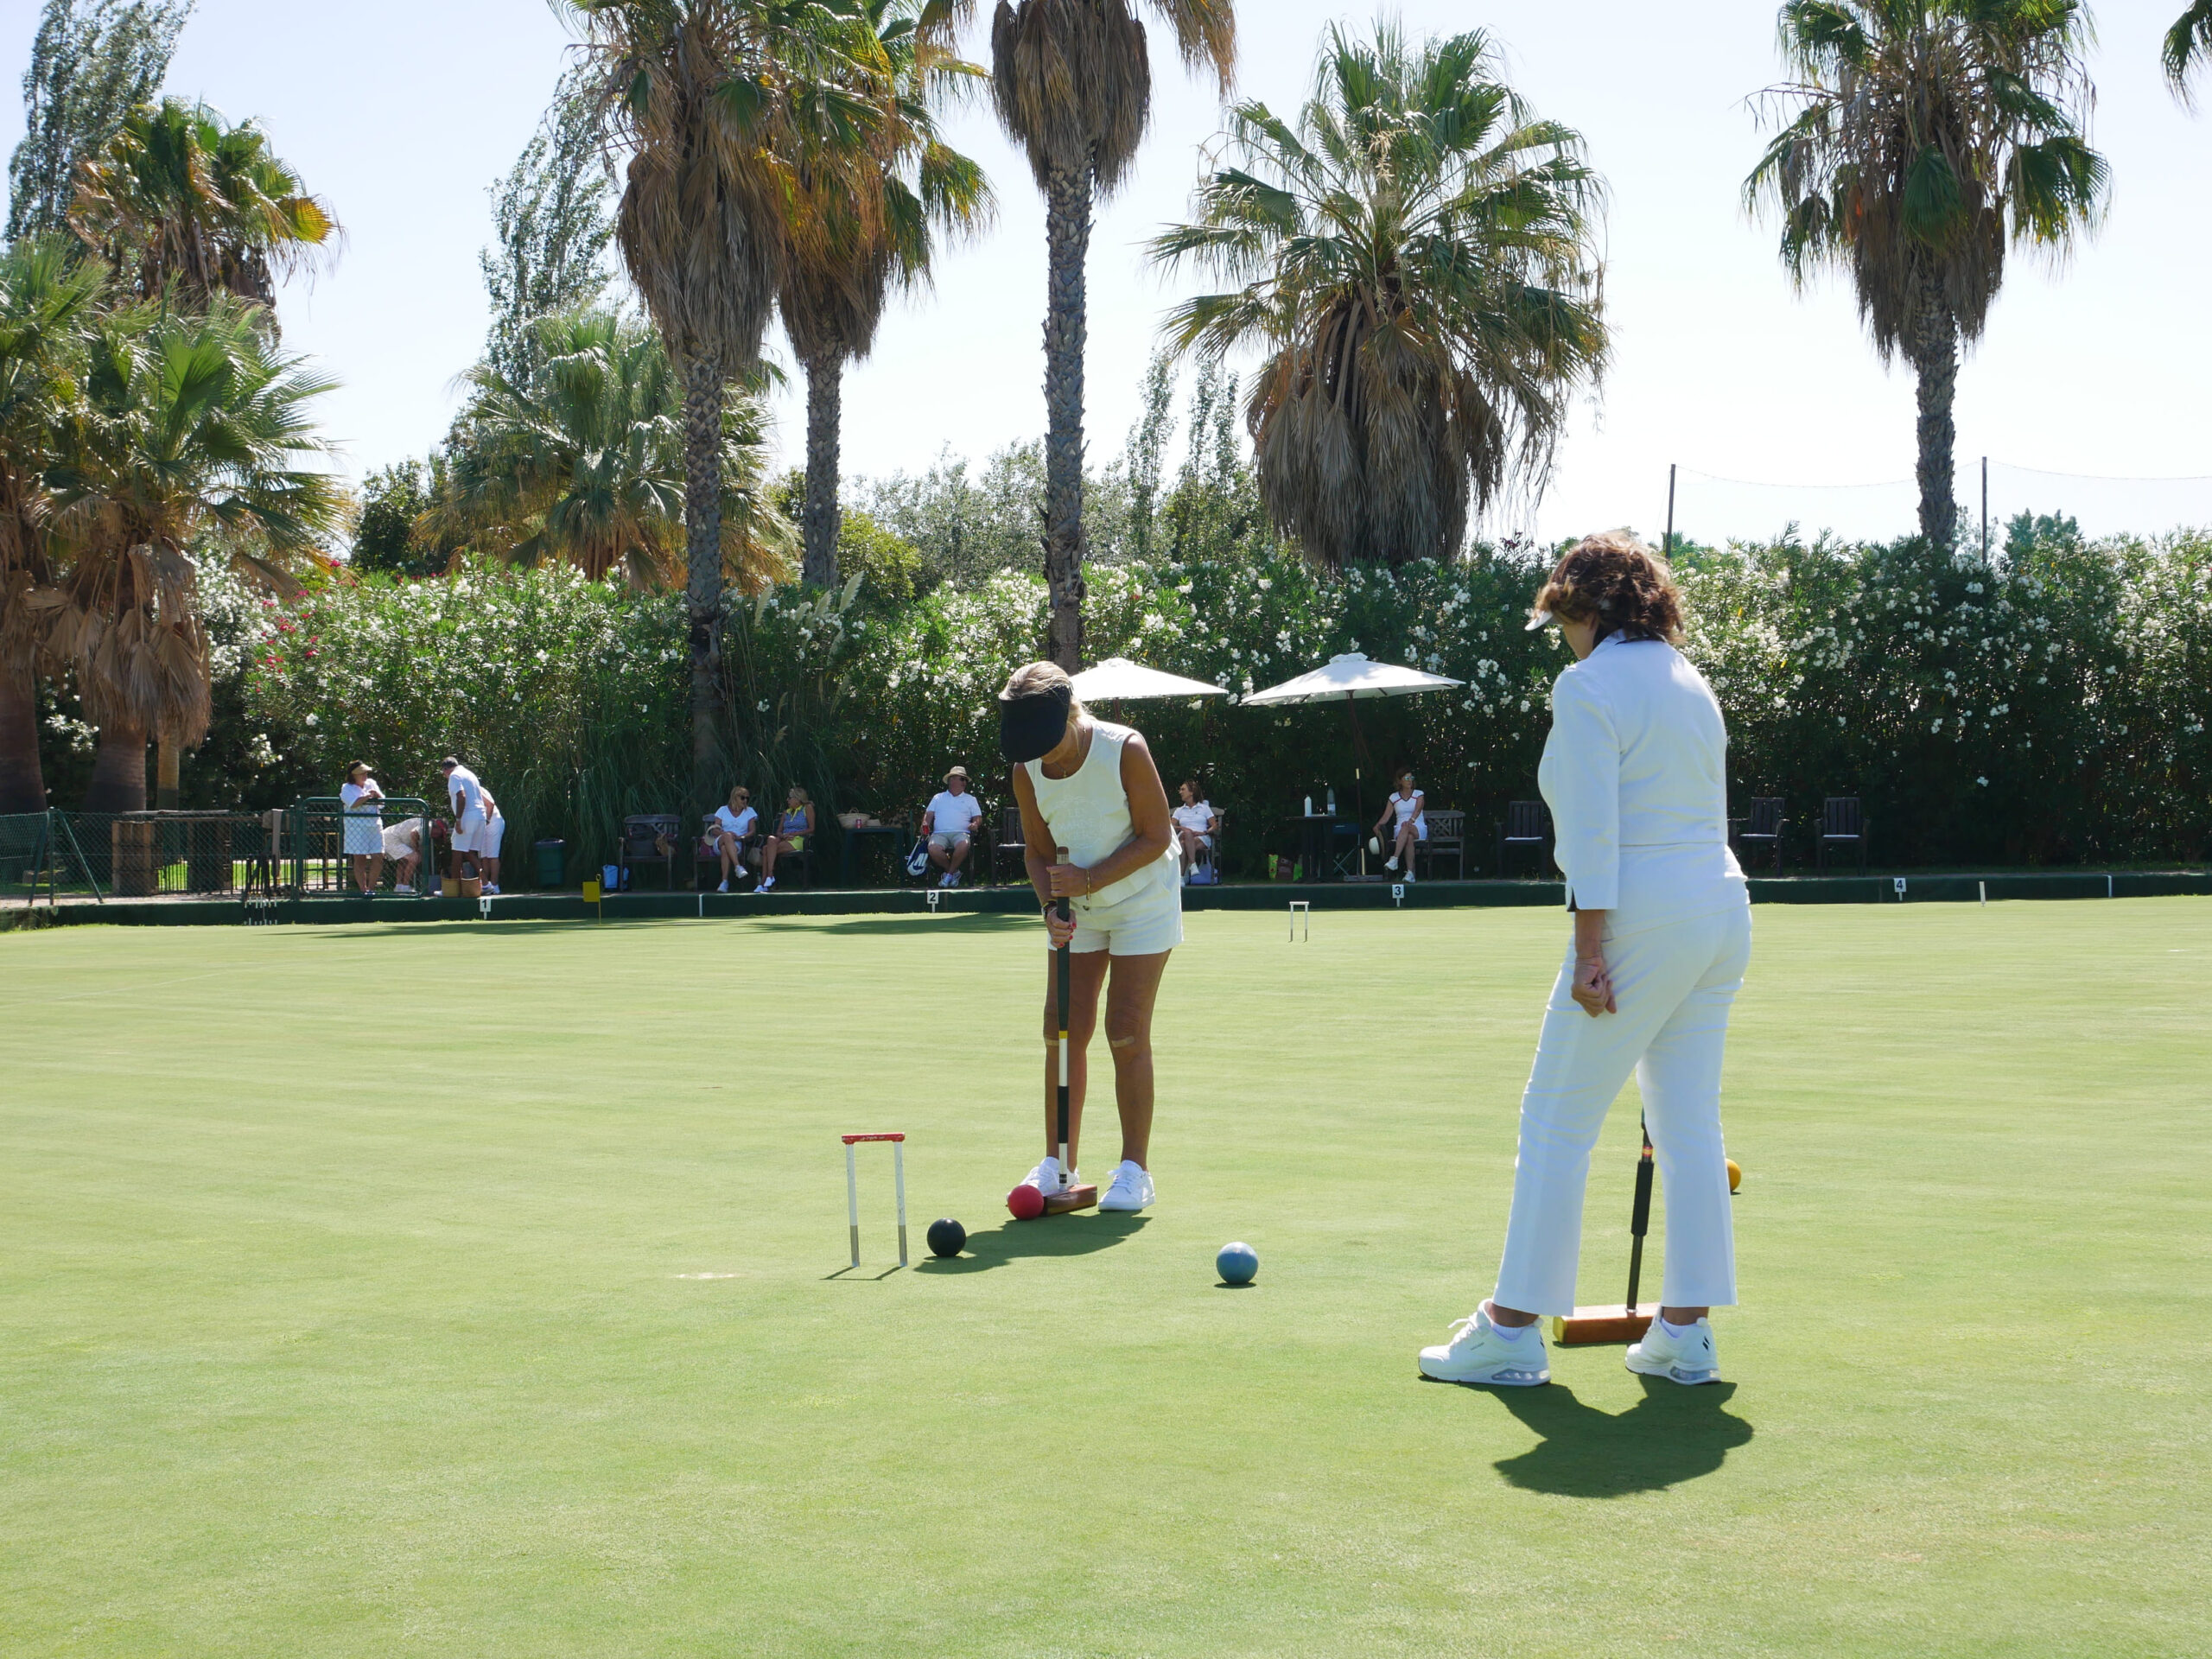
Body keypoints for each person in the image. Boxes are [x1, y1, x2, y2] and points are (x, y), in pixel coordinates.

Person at [1418, 533, 1751, 1389]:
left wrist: (1589, 951)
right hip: (1719, 909)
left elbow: (1592, 834)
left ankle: (1510, 1330)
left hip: (1643, 916)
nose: (1562, 633)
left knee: (1555, 1117)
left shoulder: (1589, 684)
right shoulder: (1689, 681)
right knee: (1688, 1123)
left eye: (1564, 615)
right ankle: (1685, 1335)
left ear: (1590, 607)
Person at [1001, 660, 1180, 1214]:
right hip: (1076, 907)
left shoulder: (1124, 749)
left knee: (1124, 1029)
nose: (1040, 754)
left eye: (1045, 741)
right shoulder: (1026, 769)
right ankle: (1059, 1163)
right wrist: (1049, 906)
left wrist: (1089, 879)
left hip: (1142, 901)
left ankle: (1135, 1171)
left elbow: (1157, 836)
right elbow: (1036, 851)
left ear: (1070, 714)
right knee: (1062, 1029)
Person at [921, 765, 985, 888]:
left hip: (961, 833)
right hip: (939, 834)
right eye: (962, 779)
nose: (964, 782)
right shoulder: (938, 798)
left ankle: (948, 875)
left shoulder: (970, 799)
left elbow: (978, 818)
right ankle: (954, 873)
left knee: (964, 845)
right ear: (951, 780)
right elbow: (928, 815)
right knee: (932, 848)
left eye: (965, 780)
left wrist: (975, 824)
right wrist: (925, 824)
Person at [757, 785, 813, 892]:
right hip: (784, 840)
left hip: (799, 840)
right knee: (771, 839)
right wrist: (783, 836)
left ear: (798, 799)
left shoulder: (807, 808)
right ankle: (769, 877)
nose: (787, 800)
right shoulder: (786, 812)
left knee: (765, 849)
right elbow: (778, 831)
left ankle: (764, 881)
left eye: (790, 797)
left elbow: (811, 829)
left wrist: (795, 833)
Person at [340, 762, 385, 895]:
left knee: (379, 856)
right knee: (360, 858)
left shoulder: (372, 782)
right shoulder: (347, 788)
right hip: (356, 828)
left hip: (375, 826)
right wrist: (367, 797)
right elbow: (353, 804)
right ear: (353, 775)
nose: (365, 775)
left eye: (366, 772)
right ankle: (363, 890)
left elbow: (383, 802)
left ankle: (371, 889)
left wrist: (377, 795)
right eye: (362, 773)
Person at [438, 756, 485, 884]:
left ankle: (454, 888)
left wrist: (458, 820)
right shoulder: (470, 774)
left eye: (444, 774)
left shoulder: (454, 776)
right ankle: (486, 884)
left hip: (468, 817)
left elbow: (461, 797)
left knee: (457, 851)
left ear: (446, 770)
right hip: (480, 815)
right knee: (469, 852)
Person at [1374, 769, 1425, 879]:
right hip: (1401, 830)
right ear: (1400, 781)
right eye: (1407, 778)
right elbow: (1386, 816)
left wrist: (1410, 821)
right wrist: (1377, 826)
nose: (1410, 780)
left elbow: (1418, 810)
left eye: (1411, 778)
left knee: (1407, 828)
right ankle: (1410, 873)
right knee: (1409, 837)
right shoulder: (1394, 797)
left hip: (1417, 826)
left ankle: (1395, 858)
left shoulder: (1419, 794)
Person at [708, 785, 759, 892]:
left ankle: (724, 882)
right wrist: (726, 833)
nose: (745, 800)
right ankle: (737, 866)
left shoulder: (750, 811)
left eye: (747, 798)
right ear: (734, 797)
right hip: (720, 839)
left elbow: (752, 831)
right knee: (727, 836)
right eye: (742, 798)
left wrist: (741, 837)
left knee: (725, 849)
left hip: (738, 843)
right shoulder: (722, 810)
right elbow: (715, 830)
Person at [1170, 779, 1220, 880]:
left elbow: (1215, 825)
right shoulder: (1179, 811)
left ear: (1192, 792)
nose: (1180, 792)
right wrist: (1181, 828)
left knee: (1184, 844)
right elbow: (1170, 827)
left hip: (1201, 837)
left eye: (1183, 789)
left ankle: (1181, 878)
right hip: (1183, 835)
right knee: (1187, 833)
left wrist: (1204, 832)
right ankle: (1193, 865)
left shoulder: (1204, 808)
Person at [381, 816, 425, 894]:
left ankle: (399, 887)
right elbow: (414, 833)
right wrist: (416, 851)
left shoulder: (424, 822)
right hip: (391, 839)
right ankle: (405, 887)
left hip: (388, 835)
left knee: (403, 861)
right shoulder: (429, 825)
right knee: (414, 858)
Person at [477, 785, 506, 894]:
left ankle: (495, 885)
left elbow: (490, 804)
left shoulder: (475, 788)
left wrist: (487, 821)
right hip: (482, 825)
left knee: (493, 856)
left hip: (493, 822)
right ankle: (486, 886)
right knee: (484, 857)